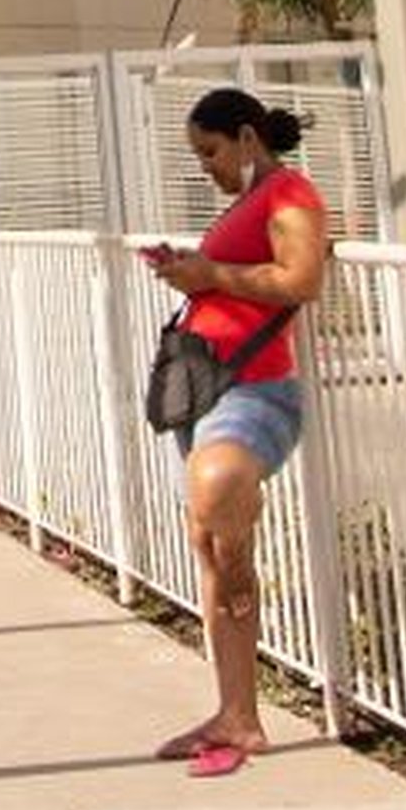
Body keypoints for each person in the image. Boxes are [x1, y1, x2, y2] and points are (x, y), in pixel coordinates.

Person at [138, 86, 328, 775]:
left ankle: (239, 701)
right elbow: (240, 280)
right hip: (211, 387)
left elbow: (301, 278)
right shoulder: (249, 203)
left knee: (219, 499)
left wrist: (209, 272)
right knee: (209, 542)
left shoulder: (289, 194)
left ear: (248, 138)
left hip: (255, 390)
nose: (207, 168)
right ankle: (237, 715)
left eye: (211, 152)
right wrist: (190, 272)